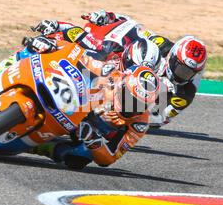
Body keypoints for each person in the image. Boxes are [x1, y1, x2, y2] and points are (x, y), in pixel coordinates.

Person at [0, 34, 161, 170]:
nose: (133, 106)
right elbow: (76, 54)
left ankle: (40, 147)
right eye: (130, 98)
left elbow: (109, 158)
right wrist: (50, 45)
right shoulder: (109, 72)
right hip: (70, 98)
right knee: (31, 50)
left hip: (79, 129)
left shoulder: (139, 124)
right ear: (123, 85)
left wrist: (93, 140)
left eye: (140, 104)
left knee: (80, 157)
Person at [32, 12, 208, 127]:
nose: (181, 75)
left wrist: (137, 110)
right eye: (181, 68)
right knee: (106, 47)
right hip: (129, 71)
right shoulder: (161, 45)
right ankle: (58, 33)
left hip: (143, 100)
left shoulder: (185, 94)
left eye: (188, 73)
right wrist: (109, 18)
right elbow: (133, 28)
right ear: (172, 56)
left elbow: (160, 120)